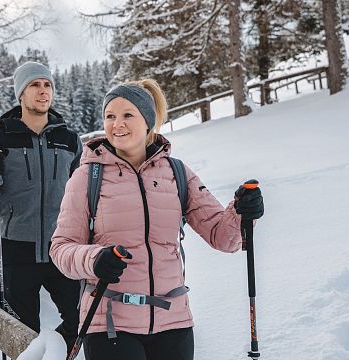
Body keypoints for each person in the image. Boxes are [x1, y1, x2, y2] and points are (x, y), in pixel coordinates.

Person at [49, 79, 264, 359]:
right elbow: (61, 248)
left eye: (128, 115)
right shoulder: (88, 177)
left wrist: (242, 211)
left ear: (148, 121)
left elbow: (222, 237)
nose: (117, 124)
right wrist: (94, 259)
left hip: (173, 323)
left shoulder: (176, 173)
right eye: (110, 116)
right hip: (110, 324)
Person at [0, 61, 84, 351]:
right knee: (19, 336)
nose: (43, 91)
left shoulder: (68, 140)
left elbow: (82, 192)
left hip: (62, 246)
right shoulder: (0, 138)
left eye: (47, 85)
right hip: (15, 250)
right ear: (21, 93)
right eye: (35, 85)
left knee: (83, 320)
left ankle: (54, 352)